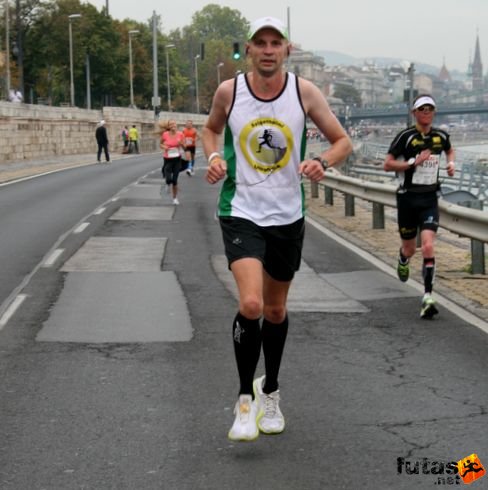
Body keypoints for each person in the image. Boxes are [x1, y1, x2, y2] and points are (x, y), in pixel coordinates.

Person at [202, 16, 352, 442]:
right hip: (241, 209)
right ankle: (244, 401)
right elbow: (211, 130)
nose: (267, 50)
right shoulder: (229, 91)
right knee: (250, 304)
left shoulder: (304, 92)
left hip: (287, 214)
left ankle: (270, 391)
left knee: (275, 311)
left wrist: (322, 162)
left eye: (275, 43)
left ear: (286, 49)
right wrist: (214, 159)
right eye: (260, 43)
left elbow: (341, 141)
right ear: (248, 50)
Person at [384, 94, 455, 319]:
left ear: (434, 112)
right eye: (422, 109)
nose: (426, 112)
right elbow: (387, 164)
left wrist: (451, 163)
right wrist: (413, 163)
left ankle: (427, 297)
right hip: (407, 199)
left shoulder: (441, 136)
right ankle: (403, 259)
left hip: (429, 199)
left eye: (430, 109)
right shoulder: (405, 137)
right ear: (414, 112)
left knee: (427, 246)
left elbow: (449, 150)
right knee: (409, 249)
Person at [160, 119, 185, 205]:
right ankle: (167, 183)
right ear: (169, 127)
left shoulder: (181, 134)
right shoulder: (165, 134)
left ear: (176, 125)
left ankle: (175, 198)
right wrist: (164, 147)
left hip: (177, 159)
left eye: (174, 124)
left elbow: (185, 148)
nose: (173, 126)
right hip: (167, 159)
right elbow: (161, 144)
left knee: (175, 180)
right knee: (168, 178)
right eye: (171, 124)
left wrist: (181, 144)